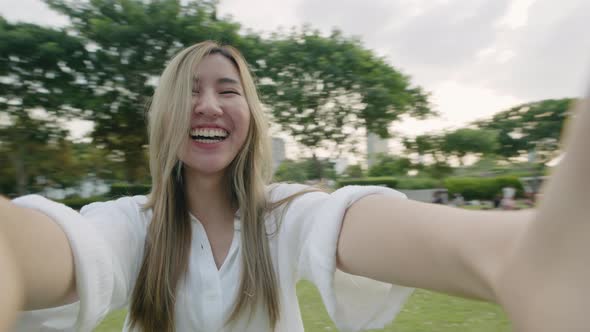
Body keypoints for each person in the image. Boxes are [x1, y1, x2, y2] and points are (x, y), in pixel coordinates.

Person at [0, 41, 589, 332]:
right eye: (190, 90)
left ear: (251, 114)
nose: (208, 104)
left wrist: (522, 258)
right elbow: (46, 249)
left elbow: (357, 221)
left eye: (228, 90)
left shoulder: (290, 214)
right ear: (163, 117)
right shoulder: (129, 224)